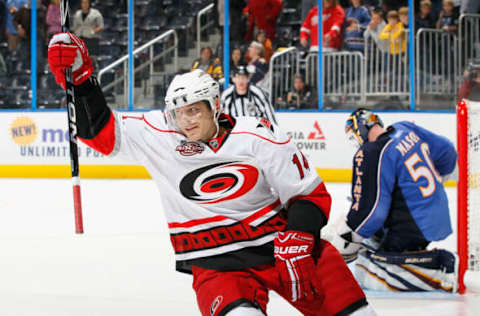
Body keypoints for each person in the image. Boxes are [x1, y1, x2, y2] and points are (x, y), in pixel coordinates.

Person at [48, 32, 377, 316]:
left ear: (214, 105)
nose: (186, 121)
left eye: (194, 111)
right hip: (217, 265)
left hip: (284, 250)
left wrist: (300, 238)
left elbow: (309, 194)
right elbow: (98, 132)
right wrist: (80, 79)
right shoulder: (160, 135)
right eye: (179, 113)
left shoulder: (258, 135)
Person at [332, 108, 458, 292]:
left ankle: (441, 269)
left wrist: (345, 242)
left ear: (359, 130)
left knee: (365, 269)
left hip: (412, 224)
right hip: (435, 213)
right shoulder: (405, 128)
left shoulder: (373, 151)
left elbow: (372, 212)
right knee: (371, 244)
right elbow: (448, 153)